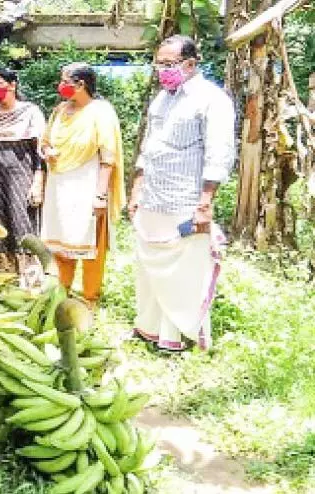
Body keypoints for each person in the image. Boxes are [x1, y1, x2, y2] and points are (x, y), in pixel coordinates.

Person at [130, 35, 234, 351]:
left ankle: (182, 336)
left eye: (169, 64)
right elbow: (148, 147)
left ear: (190, 64)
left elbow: (219, 154)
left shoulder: (211, 100)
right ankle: (149, 329)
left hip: (186, 201)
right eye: (159, 64)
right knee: (148, 269)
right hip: (153, 199)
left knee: (183, 273)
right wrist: (137, 189)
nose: (162, 70)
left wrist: (205, 204)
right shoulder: (162, 99)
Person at [40, 63, 125, 310]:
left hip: (88, 185)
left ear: (81, 84)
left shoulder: (101, 112)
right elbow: (45, 141)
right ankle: (61, 291)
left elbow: (108, 156)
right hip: (59, 186)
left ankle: (90, 298)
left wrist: (100, 195)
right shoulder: (59, 111)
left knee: (91, 243)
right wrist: (47, 152)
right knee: (61, 240)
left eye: (65, 80)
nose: (61, 85)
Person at [0, 69, 46, 286]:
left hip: (22, 173)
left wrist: (38, 182)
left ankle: (31, 280)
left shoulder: (30, 112)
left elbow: (40, 150)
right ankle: (5, 280)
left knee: (23, 222)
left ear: (12, 85)